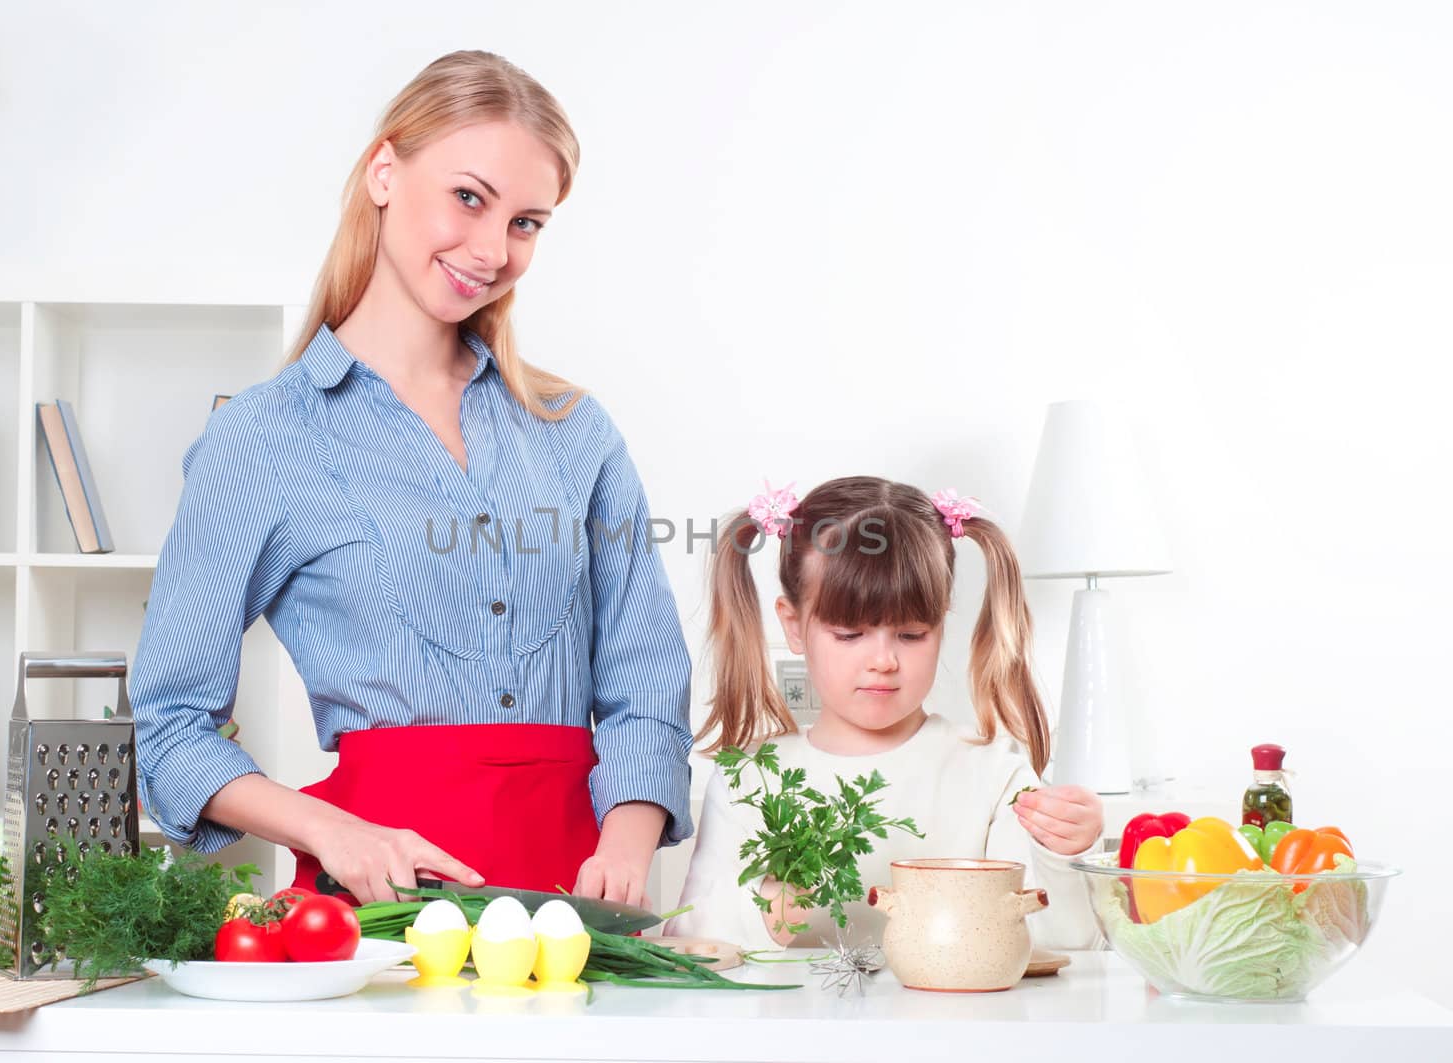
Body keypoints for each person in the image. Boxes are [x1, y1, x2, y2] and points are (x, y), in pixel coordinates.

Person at [130, 50, 692, 908]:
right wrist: (328, 829)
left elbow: (645, 676)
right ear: (383, 171)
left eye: (526, 223)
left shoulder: (576, 432)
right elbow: (169, 726)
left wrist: (628, 845)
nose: (492, 249)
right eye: (469, 198)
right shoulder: (261, 440)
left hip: (583, 909)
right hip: (381, 911)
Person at [666, 477, 1103, 950]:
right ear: (794, 626)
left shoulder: (993, 774)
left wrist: (1065, 855)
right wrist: (772, 907)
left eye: (912, 635)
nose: (883, 661)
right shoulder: (749, 779)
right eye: (850, 635)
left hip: (954, 1022)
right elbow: (694, 939)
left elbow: (1060, 949)